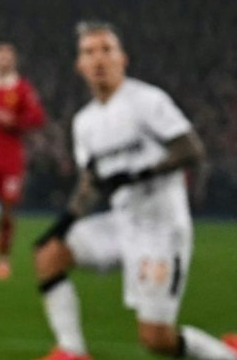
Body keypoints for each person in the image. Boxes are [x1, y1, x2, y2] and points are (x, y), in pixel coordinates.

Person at [31, 22, 236, 360]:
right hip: (122, 224)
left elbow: (191, 149)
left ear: (122, 59)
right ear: (79, 65)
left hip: (161, 230)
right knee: (50, 256)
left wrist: (141, 173)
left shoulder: (146, 101)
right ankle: (72, 352)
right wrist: (61, 226)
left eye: (106, 50)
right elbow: (91, 181)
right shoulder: (84, 122)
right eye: (89, 52)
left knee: (157, 340)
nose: (98, 59)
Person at [0, 41, 46, 278]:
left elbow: (37, 117)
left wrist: (15, 122)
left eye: (7, 57)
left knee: (6, 212)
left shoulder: (22, 89)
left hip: (10, 160)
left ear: (14, 61)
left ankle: (4, 259)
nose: (3, 60)